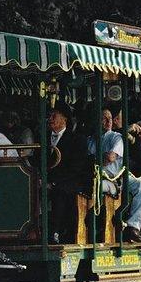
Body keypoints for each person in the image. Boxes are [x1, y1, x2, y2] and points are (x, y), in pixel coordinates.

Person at [91, 108, 141, 243]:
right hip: (99, 177)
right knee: (94, 185)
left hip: (117, 178)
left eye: (110, 118)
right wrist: (100, 158)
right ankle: (98, 226)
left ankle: (133, 226)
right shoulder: (91, 139)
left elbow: (110, 158)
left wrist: (95, 158)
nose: (108, 122)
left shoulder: (115, 137)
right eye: (104, 118)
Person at [46, 101, 89, 243]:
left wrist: (53, 182)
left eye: (54, 115)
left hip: (69, 180)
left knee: (60, 191)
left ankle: (55, 232)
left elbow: (76, 168)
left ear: (64, 119)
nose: (50, 118)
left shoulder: (77, 139)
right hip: (46, 179)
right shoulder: (43, 137)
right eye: (50, 115)